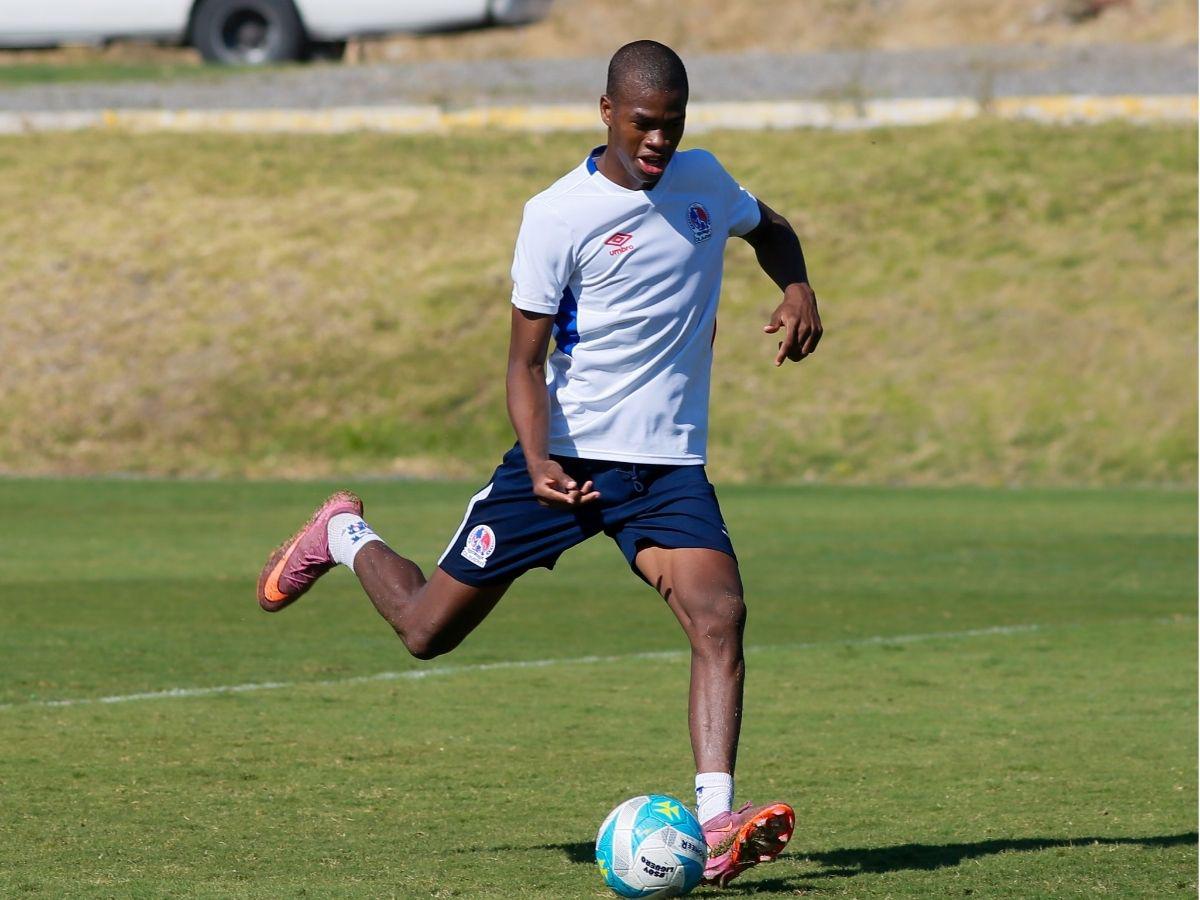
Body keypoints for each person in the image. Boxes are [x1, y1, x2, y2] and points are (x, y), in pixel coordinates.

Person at [256, 39, 822, 888]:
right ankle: (344, 532)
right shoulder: (558, 215)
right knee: (423, 631)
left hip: (665, 469)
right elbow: (522, 366)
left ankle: (714, 821)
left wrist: (799, 286)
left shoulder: (707, 181)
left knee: (720, 615)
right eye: (643, 124)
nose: (659, 142)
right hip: (559, 461)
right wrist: (535, 461)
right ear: (606, 113)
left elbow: (769, 229)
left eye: (672, 125)